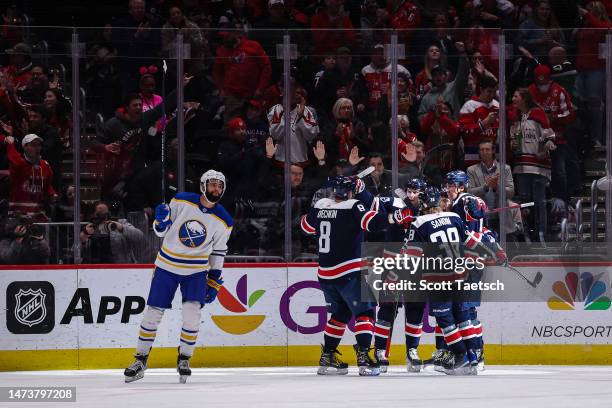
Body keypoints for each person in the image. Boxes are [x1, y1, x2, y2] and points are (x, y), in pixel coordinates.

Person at [124, 170, 233, 383]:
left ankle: (184, 359)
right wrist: (161, 221)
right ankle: (140, 360)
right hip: (166, 266)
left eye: (220, 186)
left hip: (196, 271)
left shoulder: (224, 220)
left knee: (193, 316)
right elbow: (160, 232)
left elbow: (219, 252)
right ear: (203, 185)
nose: (216, 189)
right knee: (153, 314)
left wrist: (214, 278)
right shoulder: (182, 200)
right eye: (212, 185)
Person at [300, 176, 405, 376]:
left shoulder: (322, 204)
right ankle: (364, 357)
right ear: (351, 192)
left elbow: (306, 226)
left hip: (325, 274)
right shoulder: (353, 205)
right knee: (365, 313)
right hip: (348, 271)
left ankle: (328, 356)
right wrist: (395, 217)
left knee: (340, 314)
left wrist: (314, 207)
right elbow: (373, 223)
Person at [404, 186, 476, 375]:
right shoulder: (455, 217)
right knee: (463, 317)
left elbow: (411, 255)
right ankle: (474, 358)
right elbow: (469, 242)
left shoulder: (419, 222)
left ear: (425, 203)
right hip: (461, 274)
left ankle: (460, 356)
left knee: (445, 320)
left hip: (438, 278)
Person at [509, 88, 556, 244]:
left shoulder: (537, 114)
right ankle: (528, 233)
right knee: (525, 201)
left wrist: (546, 144)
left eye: (515, 96)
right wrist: (513, 144)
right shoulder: (516, 118)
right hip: (521, 166)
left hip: (538, 166)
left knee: (539, 201)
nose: (512, 98)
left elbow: (549, 135)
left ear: (524, 98)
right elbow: (514, 143)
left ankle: (541, 233)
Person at [528, 64, 576, 203]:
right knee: (536, 174)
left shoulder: (559, 91)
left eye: (544, 82)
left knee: (559, 172)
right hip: (535, 142)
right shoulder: (530, 91)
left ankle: (562, 201)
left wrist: (553, 118)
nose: (542, 85)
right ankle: (539, 203)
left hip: (557, 141)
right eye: (539, 82)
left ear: (549, 79)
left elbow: (570, 115)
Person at [1, 133, 57, 222]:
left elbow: (47, 186)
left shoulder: (45, 165)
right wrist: (10, 143)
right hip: (18, 215)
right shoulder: (20, 164)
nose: (37, 148)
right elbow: (13, 157)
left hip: (38, 214)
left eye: (39, 145)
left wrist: (52, 194)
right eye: (33, 145)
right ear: (25, 147)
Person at [466, 140, 516, 234]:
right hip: (481, 217)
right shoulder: (471, 170)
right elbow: (469, 193)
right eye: (482, 150)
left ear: (493, 151)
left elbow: (510, 193)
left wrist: (496, 187)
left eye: (487, 149)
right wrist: (485, 187)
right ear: (479, 152)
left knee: (505, 248)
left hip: (501, 217)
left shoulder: (505, 168)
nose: (484, 152)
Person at [78, 201, 144, 264]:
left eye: (106, 214)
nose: (104, 218)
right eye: (99, 214)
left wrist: (121, 228)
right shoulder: (88, 228)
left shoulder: (120, 223)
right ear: (93, 215)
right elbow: (75, 253)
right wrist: (84, 237)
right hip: (95, 269)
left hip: (121, 267)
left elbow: (140, 237)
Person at [267, 87, 319, 165]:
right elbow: (275, 135)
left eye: (298, 93)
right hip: (281, 159)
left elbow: (311, 135)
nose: (296, 95)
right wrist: (285, 112)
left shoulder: (306, 111)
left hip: (300, 159)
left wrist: (301, 116)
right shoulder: (276, 109)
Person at [458, 75, 499, 168]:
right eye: (489, 91)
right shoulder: (469, 106)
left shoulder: (498, 106)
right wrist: (484, 124)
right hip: (473, 159)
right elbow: (464, 132)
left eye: (494, 92)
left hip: (494, 160)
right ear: (481, 89)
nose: (492, 95)